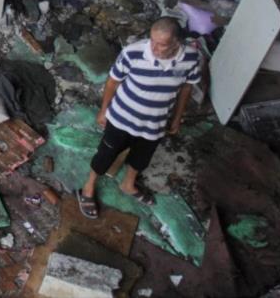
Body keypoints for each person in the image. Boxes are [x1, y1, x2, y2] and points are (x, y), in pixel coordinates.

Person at [77, 17, 200, 219]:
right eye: (152, 41)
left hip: (155, 123)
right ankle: (88, 186)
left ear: (177, 43)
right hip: (121, 118)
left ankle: (128, 184)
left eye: (162, 45)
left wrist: (177, 118)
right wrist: (103, 110)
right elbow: (112, 82)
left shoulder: (191, 58)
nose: (155, 48)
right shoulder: (133, 52)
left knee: (141, 157)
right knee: (105, 154)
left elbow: (187, 88)